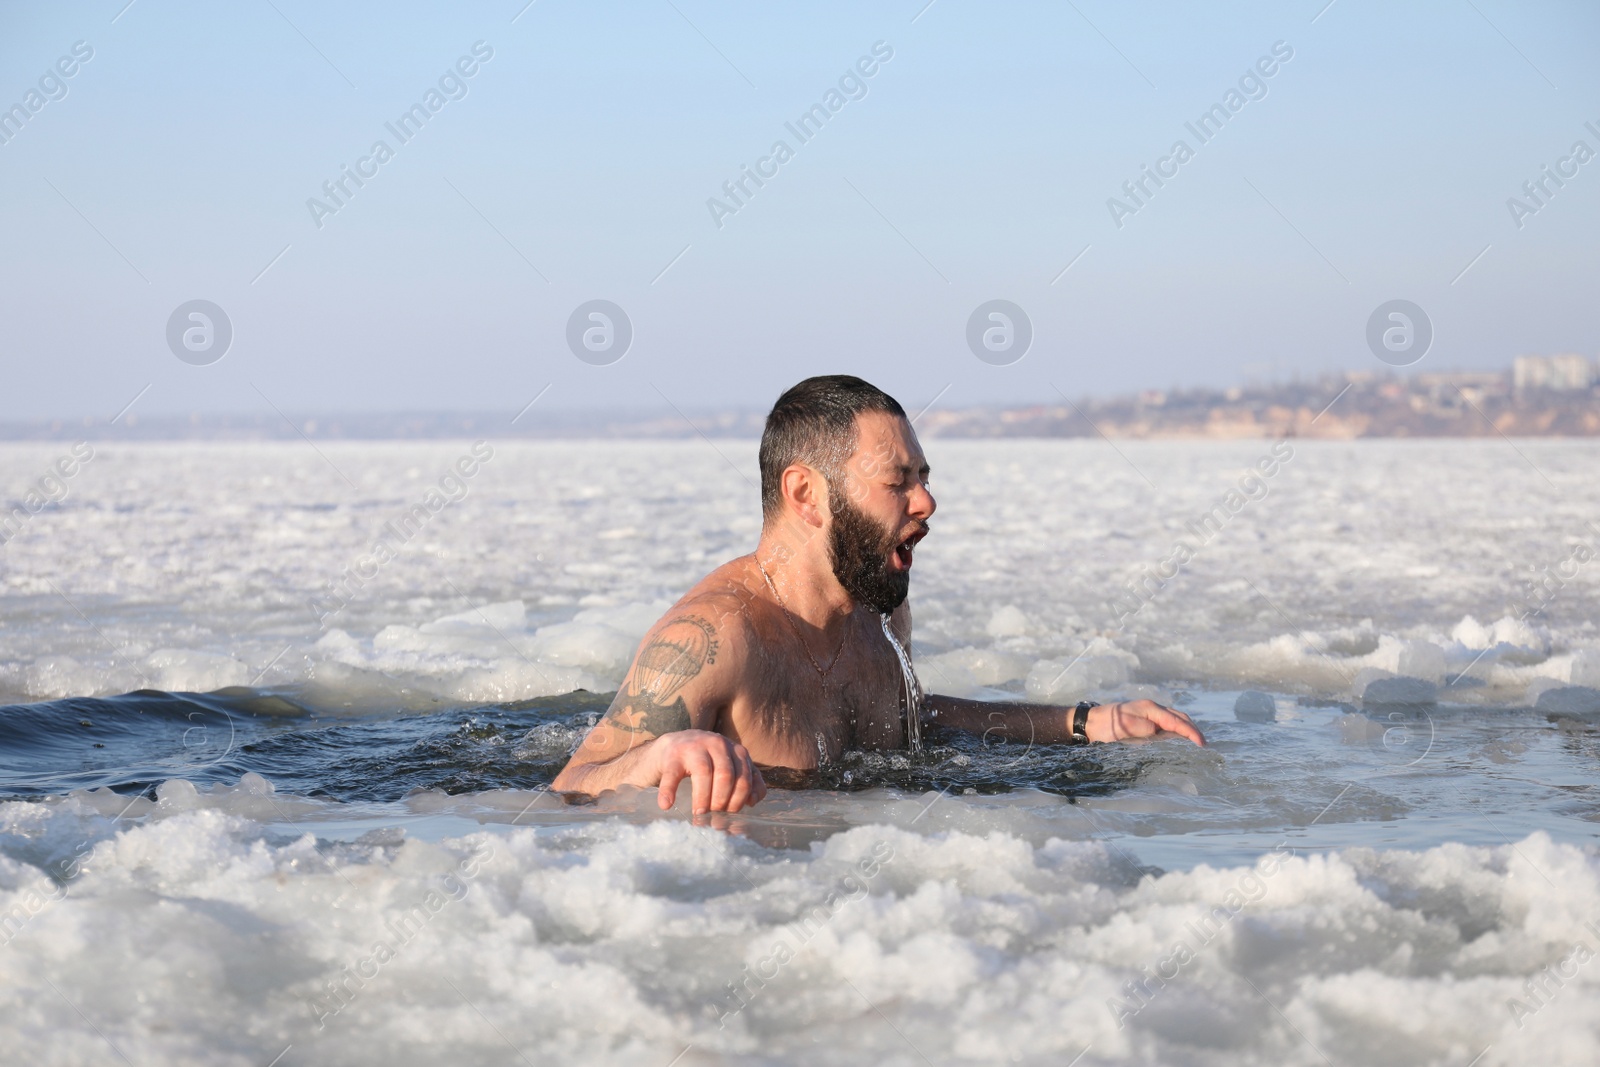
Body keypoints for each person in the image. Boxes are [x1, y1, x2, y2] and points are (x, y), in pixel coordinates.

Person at [552, 375, 1204, 814]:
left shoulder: (879, 609)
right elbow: (569, 787)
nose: (927, 500)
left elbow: (915, 719)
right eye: (899, 480)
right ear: (806, 493)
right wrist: (660, 755)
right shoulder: (714, 637)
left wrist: (1083, 723)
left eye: (923, 476)